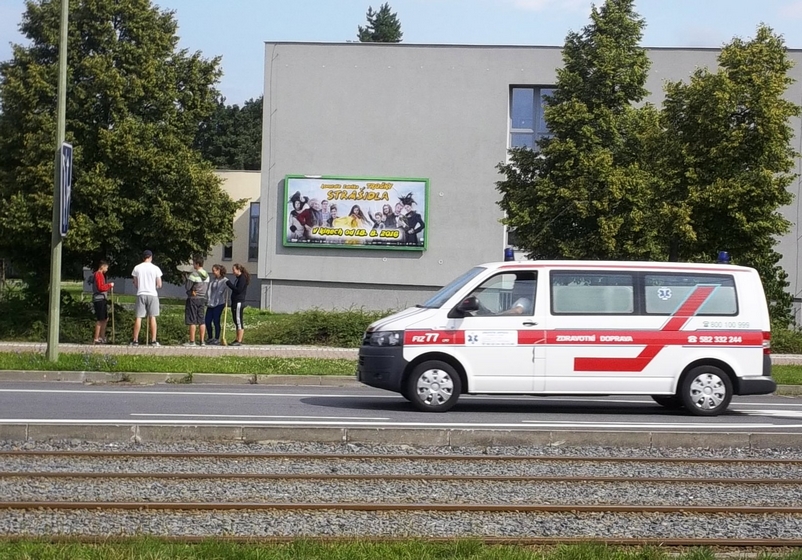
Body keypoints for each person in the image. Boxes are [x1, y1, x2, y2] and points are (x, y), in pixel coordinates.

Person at [131, 250, 163, 346]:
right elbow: (159, 284)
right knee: (152, 317)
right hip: (152, 294)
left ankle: (135, 340)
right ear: (151, 257)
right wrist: (154, 287)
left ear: (143, 257)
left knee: (139, 317)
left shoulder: (137, 268)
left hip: (141, 293)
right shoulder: (156, 268)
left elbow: (136, 284)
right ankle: (153, 340)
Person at [183, 258, 210, 346]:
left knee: (192, 320)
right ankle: (202, 341)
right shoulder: (207, 275)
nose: (193, 265)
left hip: (193, 298)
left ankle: (192, 341)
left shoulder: (193, 275)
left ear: (197, 264)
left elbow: (188, 287)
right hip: (202, 298)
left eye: (194, 264)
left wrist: (185, 279)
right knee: (201, 320)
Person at [226, 263, 250, 346]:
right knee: (235, 321)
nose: (233, 272)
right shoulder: (238, 278)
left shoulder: (242, 278)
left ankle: (239, 340)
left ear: (238, 270)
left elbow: (238, 290)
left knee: (238, 320)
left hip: (239, 302)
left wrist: (229, 284)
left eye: (234, 270)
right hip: (235, 302)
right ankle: (237, 338)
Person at [91, 261, 114, 344]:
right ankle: (96, 338)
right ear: (102, 267)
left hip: (102, 299)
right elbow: (100, 287)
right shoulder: (98, 275)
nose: (107, 269)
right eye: (106, 268)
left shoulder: (101, 275)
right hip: (99, 299)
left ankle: (102, 336)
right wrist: (109, 285)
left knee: (105, 318)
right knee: (100, 319)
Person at [204, 264, 228, 345]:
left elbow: (224, 290)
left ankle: (216, 338)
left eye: (214, 270)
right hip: (211, 303)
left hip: (219, 303)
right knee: (207, 321)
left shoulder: (224, 281)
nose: (213, 272)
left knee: (216, 321)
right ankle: (210, 337)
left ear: (219, 271)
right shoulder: (213, 280)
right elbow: (209, 291)